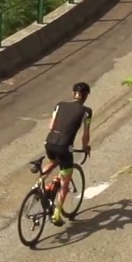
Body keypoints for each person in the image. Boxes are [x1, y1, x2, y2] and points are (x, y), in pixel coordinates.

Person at [42, 82, 93, 226]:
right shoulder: (87, 111)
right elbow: (85, 134)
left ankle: (41, 183)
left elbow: (51, 126)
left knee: (54, 161)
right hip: (65, 146)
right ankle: (57, 213)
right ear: (86, 96)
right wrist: (85, 147)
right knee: (66, 178)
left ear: (73, 93)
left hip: (50, 142)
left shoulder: (60, 105)